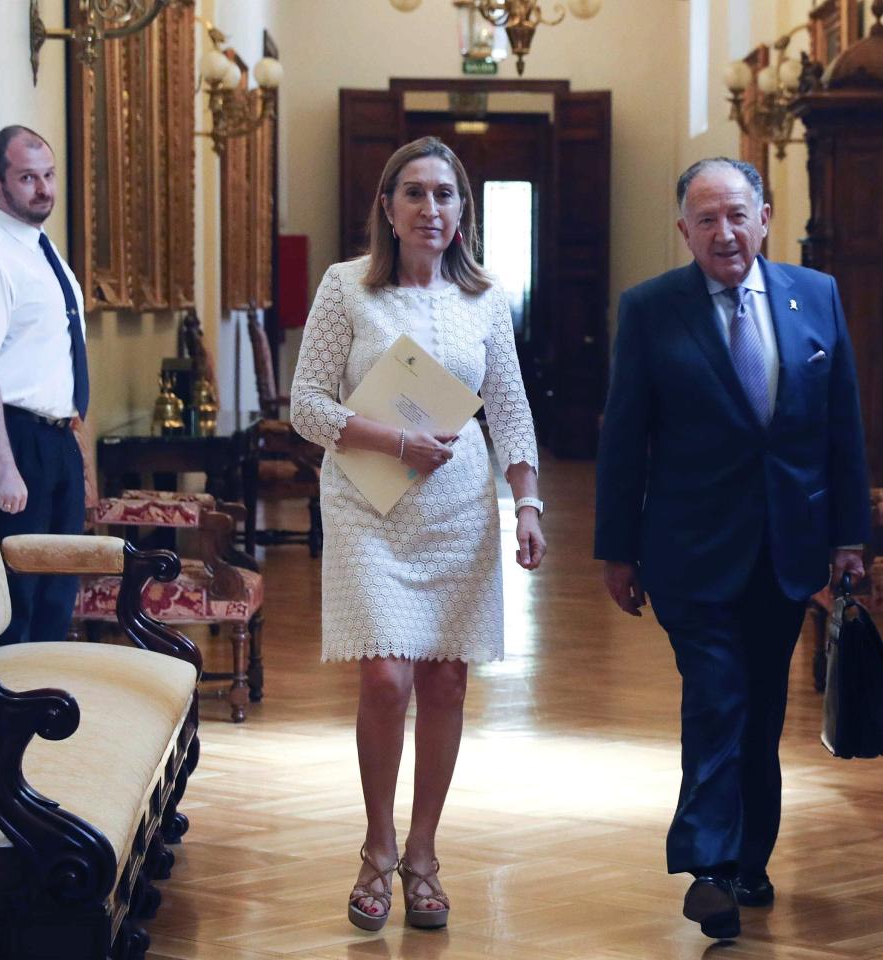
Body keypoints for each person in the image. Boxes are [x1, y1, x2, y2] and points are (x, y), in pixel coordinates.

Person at [594, 158, 870, 940]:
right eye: (706, 219)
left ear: (766, 217)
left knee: (762, 704)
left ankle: (752, 855)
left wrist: (850, 536)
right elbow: (625, 439)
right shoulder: (650, 309)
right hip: (688, 547)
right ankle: (709, 866)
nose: (725, 232)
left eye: (737, 215)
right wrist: (618, 550)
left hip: (789, 545)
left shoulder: (815, 296)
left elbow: (841, 426)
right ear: (684, 230)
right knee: (717, 694)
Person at [289, 137, 546, 933]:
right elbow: (304, 405)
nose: (431, 208)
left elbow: (507, 405)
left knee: (446, 684)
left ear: (462, 213)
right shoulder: (346, 289)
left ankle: (425, 856)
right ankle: (377, 846)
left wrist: (528, 503)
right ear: (389, 210)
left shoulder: (485, 298)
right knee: (384, 681)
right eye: (415, 194)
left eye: (445, 195)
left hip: (460, 510)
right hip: (369, 503)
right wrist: (393, 441)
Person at [0, 125, 89, 645]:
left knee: (58, 589)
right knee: (19, 593)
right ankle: (13, 712)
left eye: (49, 175)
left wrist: (76, 446)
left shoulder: (41, 248)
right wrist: (4, 465)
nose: (43, 189)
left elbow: (57, 353)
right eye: (27, 177)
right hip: (13, 437)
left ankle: (47, 705)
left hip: (55, 438)